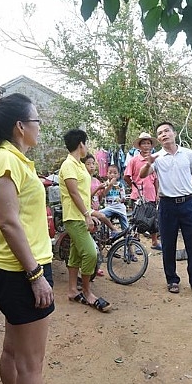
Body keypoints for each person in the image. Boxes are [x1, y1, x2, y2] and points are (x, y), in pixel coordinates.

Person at [0, 93, 73, 384]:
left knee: (13, 351)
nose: (39, 128)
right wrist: (35, 275)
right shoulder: (5, 160)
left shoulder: (10, 159)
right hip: (21, 271)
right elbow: (8, 222)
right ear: (20, 126)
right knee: (31, 363)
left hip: (13, 269)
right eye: (36, 121)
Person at [140, 121, 192, 298]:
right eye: (160, 133)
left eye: (166, 131)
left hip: (188, 203)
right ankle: (172, 280)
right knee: (168, 244)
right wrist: (148, 163)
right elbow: (142, 174)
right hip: (167, 205)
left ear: (174, 133)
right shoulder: (157, 157)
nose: (164, 134)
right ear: (158, 139)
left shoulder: (189, 154)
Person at [59, 129, 112, 313]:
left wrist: (90, 213)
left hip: (81, 214)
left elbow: (83, 194)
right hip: (74, 217)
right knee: (90, 254)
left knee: (75, 254)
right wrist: (87, 215)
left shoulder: (80, 165)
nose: (87, 147)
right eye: (86, 143)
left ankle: (72, 290)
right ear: (81, 144)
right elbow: (74, 193)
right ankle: (87, 292)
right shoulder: (68, 165)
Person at [124, 132, 161, 249]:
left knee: (152, 218)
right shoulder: (134, 160)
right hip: (137, 195)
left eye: (148, 143)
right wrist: (133, 186)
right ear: (139, 146)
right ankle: (137, 244)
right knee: (137, 219)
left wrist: (157, 193)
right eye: (143, 143)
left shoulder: (155, 160)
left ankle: (154, 242)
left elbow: (156, 179)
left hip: (151, 194)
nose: (146, 145)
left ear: (151, 145)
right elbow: (126, 176)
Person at [83, 154, 116, 232]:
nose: (91, 166)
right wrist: (98, 188)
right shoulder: (84, 181)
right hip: (87, 209)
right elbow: (86, 198)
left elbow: (101, 197)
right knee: (102, 216)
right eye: (88, 164)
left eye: (93, 163)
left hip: (96, 208)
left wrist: (109, 186)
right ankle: (114, 231)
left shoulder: (96, 181)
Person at [98, 163, 129, 235]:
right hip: (109, 207)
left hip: (119, 208)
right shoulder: (105, 184)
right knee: (99, 214)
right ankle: (111, 232)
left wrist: (121, 200)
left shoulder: (120, 185)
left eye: (115, 173)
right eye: (110, 173)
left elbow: (123, 197)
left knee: (125, 227)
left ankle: (127, 237)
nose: (112, 175)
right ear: (107, 174)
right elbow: (103, 194)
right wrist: (110, 185)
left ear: (118, 175)